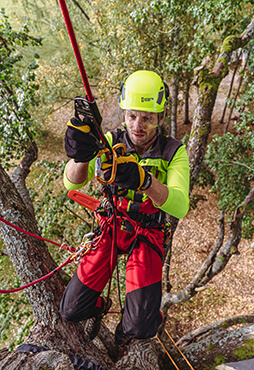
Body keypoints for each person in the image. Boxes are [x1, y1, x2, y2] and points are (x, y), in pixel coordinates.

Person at [60, 70, 190, 344]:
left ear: (160, 118)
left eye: (148, 118)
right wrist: (80, 156)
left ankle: (130, 328)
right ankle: (100, 308)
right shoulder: (110, 141)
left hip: (147, 232)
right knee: (70, 310)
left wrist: (145, 182)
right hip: (111, 226)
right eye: (132, 116)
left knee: (140, 329)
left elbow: (179, 206)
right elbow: (72, 182)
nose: (138, 125)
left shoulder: (173, 151)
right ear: (124, 113)